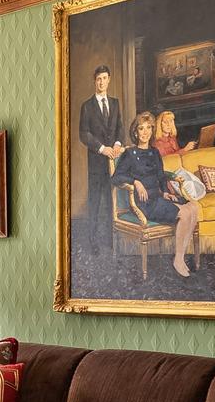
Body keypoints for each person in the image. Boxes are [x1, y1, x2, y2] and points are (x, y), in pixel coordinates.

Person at [113, 112, 201, 277]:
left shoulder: (154, 152)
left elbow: (161, 176)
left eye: (148, 128)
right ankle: (179, 259)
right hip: (145, 203)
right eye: (141, 128)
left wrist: (166, 192)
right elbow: (116, 177)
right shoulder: (129, 153)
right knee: (184, 212)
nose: (145, 132)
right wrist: (136, 182)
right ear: (135, 132)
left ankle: (180, 255)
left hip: (159, 198)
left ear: (152, 130)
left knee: (194, 207)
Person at [78, 65, 126, 247]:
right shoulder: (87, 106)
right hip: (97, 162)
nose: (101, 82)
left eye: (104, 78)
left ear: (109, 79)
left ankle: (112, 240)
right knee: (95, 202)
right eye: (98, 79)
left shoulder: (115, 103)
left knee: (111, 200)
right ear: (94, 81)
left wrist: (117, 144)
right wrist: (101, 148)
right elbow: (84, 133)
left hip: (114, 161)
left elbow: (120, 128)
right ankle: (93, 242)